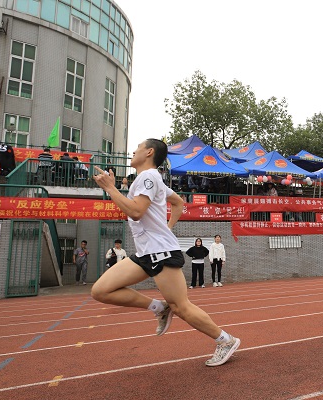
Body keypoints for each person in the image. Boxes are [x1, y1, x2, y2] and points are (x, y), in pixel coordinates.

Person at [90, 138, 240, 367]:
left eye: (138, 148)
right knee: (101, 290)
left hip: (160, 252)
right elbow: (178, 202)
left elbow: (137, 211)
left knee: (181, 306)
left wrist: (111, 188)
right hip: (145, 253)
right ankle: (160, 307)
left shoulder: (148, 177)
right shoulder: (149, 179)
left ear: (149, 152)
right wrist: (167, 228)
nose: (133, 151)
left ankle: (225, 340)